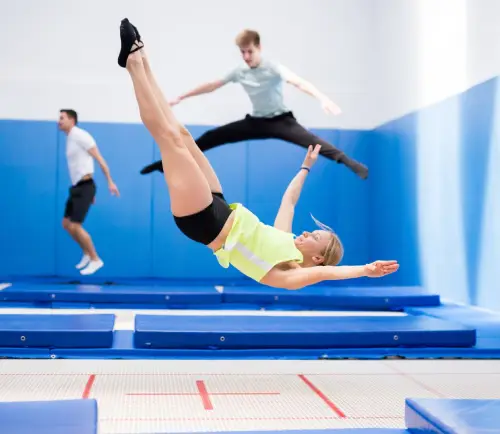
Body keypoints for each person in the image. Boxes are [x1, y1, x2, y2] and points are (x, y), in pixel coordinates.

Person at [117, 19, 398, 288]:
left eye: (313, 237)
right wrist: (306, 167)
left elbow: (325, 274)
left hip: (204, 223)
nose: (306, 232)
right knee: (183, 136)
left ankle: (132, 65)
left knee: (170, 141)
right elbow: (289, 202)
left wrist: (364, 270)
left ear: (318, 258)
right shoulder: (283, 238)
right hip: (220, 206)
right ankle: (143, 60)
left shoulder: (285, 273)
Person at [139, 29, 368, 180]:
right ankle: (165, 163)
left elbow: (298, 82)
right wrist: (182, 97)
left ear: (259, 48)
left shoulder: (273, 67)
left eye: (249, 51)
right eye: (242, 52)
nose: (246, 57)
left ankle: (351, 163)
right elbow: (212, 85)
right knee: (211, 136)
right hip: (256, 122)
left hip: (281, 122)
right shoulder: (240, 71)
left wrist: (323, 98)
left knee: (314, 143)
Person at [58, 109, 120, 275]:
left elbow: (99, 159)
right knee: (66, 224)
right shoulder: (70, 138)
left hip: (85, 186)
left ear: (72, 120)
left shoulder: (80, 135)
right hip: (77, 187)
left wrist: (110, 181)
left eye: (62, 118)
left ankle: (95, 259)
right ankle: (86, 253)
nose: (59, 121)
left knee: (76, 225)